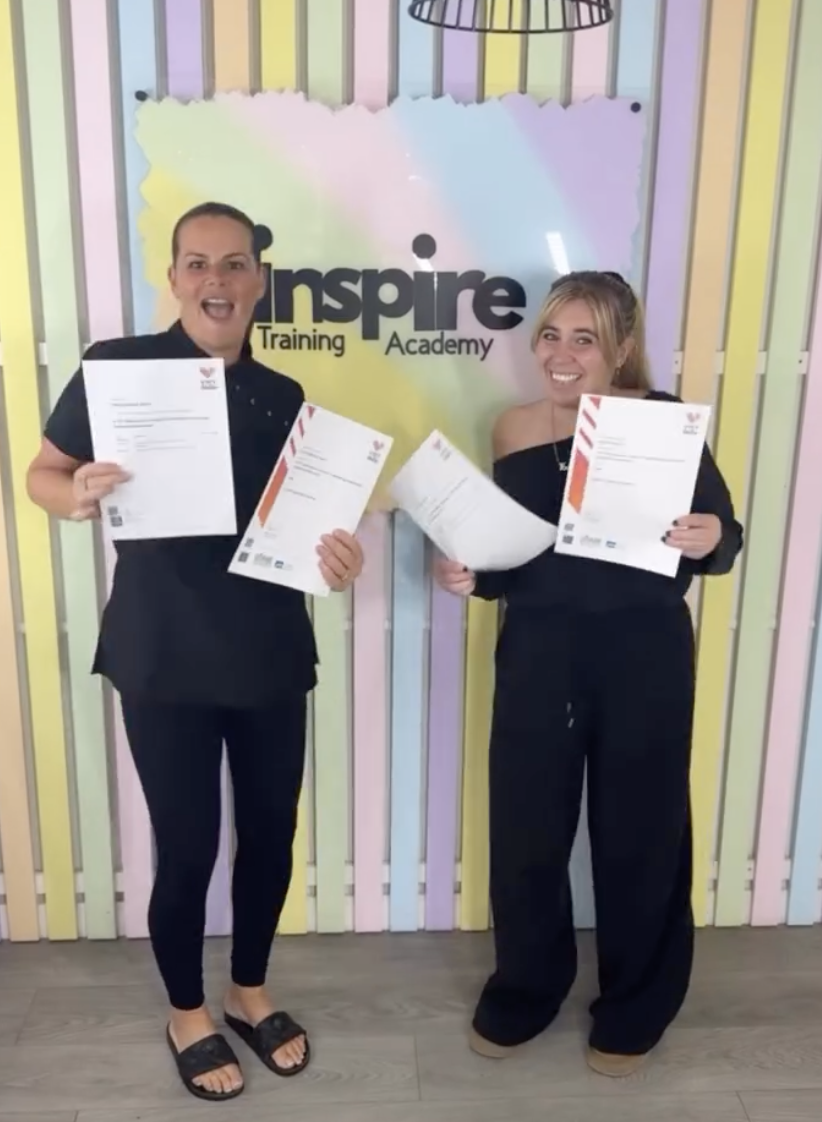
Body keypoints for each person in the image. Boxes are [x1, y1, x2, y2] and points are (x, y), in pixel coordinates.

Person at [27, 202, 365, 1102]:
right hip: (162, 653)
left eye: (235, 263)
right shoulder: (118, 369)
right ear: (173, 277)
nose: (217, 279)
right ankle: (186, 1009)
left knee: (271, 835)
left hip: (268, 649)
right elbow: (41, 473)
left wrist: (339, 556)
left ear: (259, 279)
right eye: (197, 263)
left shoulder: (285, 396)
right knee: (188, 846)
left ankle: (249, 990)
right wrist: (77, 498)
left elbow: (306, 528)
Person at [435, 270, 743, 1078]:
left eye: (585, 339)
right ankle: (528, 988)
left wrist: (710, 534)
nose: (562, 355)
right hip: (539, 652)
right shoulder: (511, 430)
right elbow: (512, 556)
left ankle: (636, 1004)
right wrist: (475, 577)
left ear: (622, 349)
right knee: (528, 832)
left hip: (643, 653)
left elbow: (723, 539)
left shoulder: (664, 424)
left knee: (641, 833)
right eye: (551, 335)